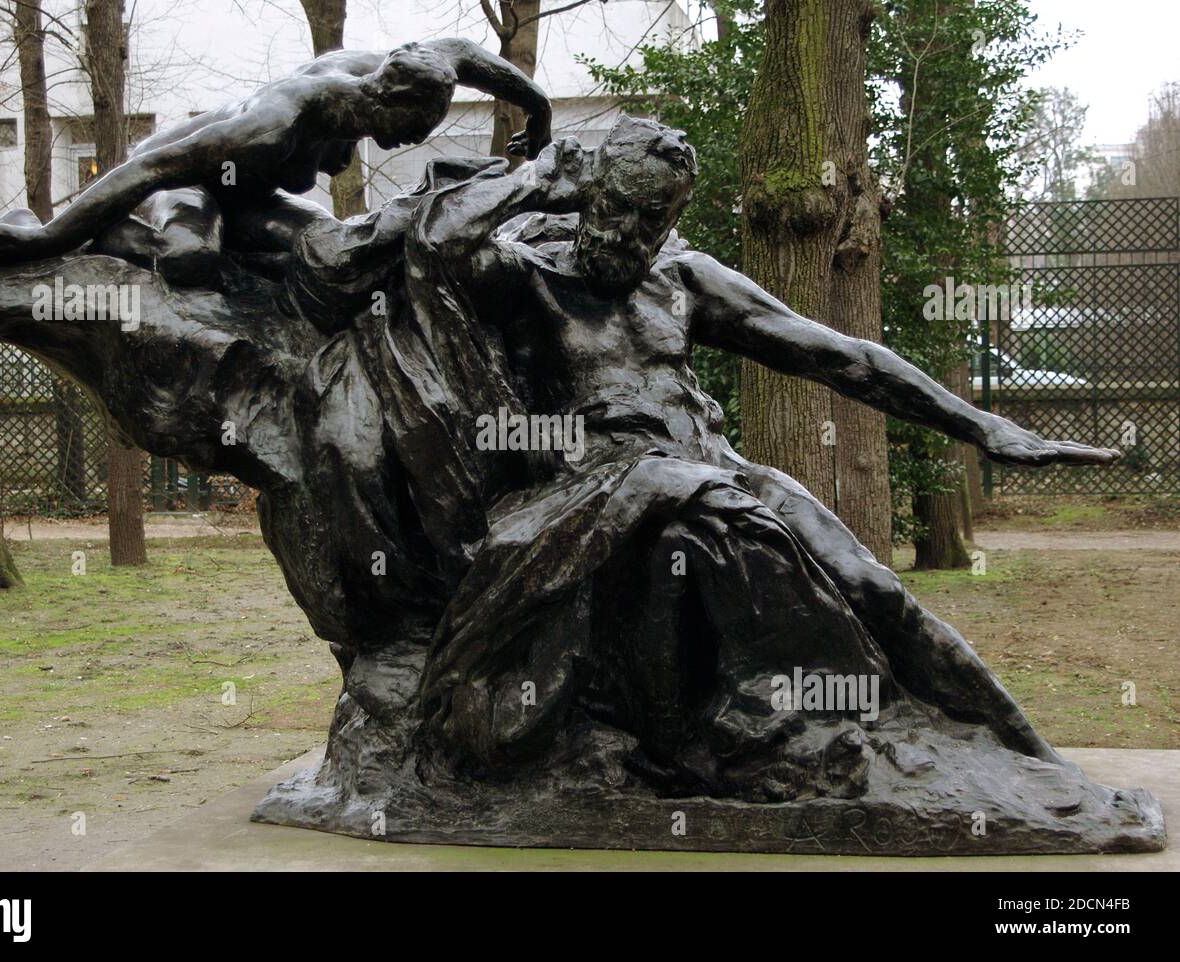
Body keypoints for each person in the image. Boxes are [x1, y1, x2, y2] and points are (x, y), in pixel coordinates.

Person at [410, 118, 1121, 780]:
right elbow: (431, 242)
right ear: (589, 193)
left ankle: (1035, 763)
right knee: (713, 523)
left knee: (871, 584)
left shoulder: (684, 284)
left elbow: (846, 358)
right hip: (600, 489)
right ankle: (745, 731)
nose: (630, 233)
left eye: (655, 219)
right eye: (619, 207)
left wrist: (981, 425)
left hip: (713, 469)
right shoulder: (524, 279)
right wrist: (536, 178)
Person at [0, 39, 551, 284]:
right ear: (382, 100)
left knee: (333, 247)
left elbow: (480, 61)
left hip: (252, 199)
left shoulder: (414, 63)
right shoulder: (273, 124)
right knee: (189, 258)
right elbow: (150, 169)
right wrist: (45, 238)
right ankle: (97, 231)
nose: (409, 141)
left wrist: (541, 115)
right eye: (410, 129)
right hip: (183, 182)